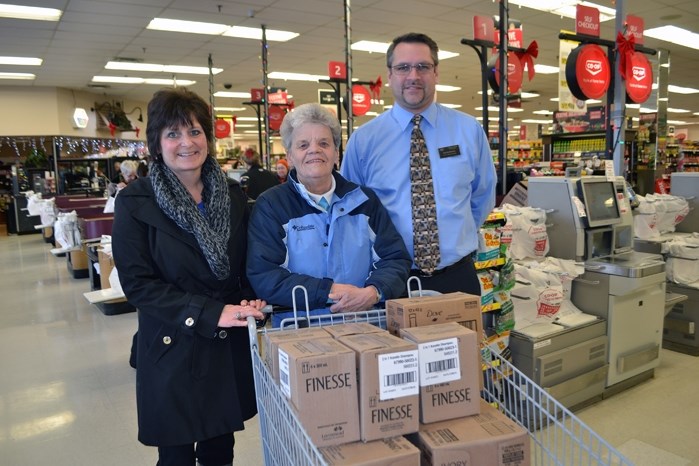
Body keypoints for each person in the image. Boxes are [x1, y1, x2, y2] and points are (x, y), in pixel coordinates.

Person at [112, 88, 266, 466]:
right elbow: (138, 285)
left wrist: (250, 297)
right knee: (176, 454)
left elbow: (241, 266)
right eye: (173, 134)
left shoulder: (231, 195)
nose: (187, 143)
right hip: (171, 343)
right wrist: (210, 312)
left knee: (219, 449)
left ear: (209, 140)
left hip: (221, 344)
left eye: (195, 132)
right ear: (157, 144)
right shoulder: (136, 202)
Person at [341, 32, 497, 296]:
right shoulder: (364, 141)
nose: (413, 75)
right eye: (403, 67)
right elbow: (352, 210)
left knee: (464, 339)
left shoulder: (468, 131)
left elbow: (482, 196)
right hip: (389, 282)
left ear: (436, 72)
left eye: (423, 66)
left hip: (457, 278)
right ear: (390, 75)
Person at [246, 103, 411, 327]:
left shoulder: (365, 200)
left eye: (324, 143)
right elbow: (266, 275)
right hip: (300, 335)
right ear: (290, 156)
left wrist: (373, 292)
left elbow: (394, 258)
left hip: (366, 329)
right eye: (303, 145)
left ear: (336, 153)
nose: (314, 150)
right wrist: (330, 291)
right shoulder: (272, 205)